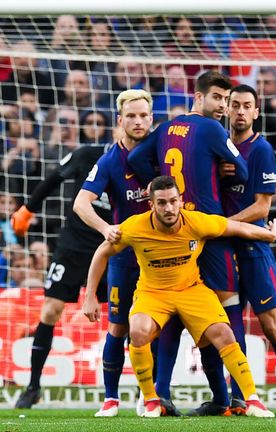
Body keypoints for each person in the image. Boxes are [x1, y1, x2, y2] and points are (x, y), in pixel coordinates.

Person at [81, 176, 275, 418]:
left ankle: (253, 400)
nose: (169, 208)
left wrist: (268, 236)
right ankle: (151, 400)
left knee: (225, 334)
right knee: (138, 330)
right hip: (153, 293)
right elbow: (102, 252)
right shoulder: (134, 227)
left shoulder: (196, 222)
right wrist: (89, 296)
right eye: (162, 203)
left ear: (181, 201)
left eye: (173, 201)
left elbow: (236, 227)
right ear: (151, 204)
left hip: (192, 290)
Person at [128, 70, 249, 416]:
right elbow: (240, 170)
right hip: (205, 230)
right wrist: (222, 169)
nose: (223, 107)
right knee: (227, 308)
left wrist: (160, 187)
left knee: (172, 315)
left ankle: (160, 395)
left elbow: (137, 160)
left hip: (172, 230)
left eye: (226, 101)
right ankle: (238, 396)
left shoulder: (167, 127)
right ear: (198, 97)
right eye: (217, 98)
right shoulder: (212, 130)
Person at [220, 84, 276, 416]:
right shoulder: (218, 147)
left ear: (256, 112)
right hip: (222, 252)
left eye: (247, 106)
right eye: (235, 105)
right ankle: (237, 399)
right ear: (226, 109)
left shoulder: (261, 150)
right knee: (231, 327)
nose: (241, 111)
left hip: (253, 247)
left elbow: (261, 207)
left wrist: (223, 225)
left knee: (271, 325)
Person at [72, 89, 155, 417]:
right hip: (125, 257)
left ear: (152, 119)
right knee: (118, 327)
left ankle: (148, 394)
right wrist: (106, 229)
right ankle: (110, 398)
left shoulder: (161, 151)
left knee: (152, 327)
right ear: (120, 121)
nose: (137, 121)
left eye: (143, 116)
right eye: (131, 116)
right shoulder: (109, 160)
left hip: (160, 255)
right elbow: (80, 203)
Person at [12, 142, 112, 410]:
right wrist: (27, 209)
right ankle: (33, 386)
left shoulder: (141, 159)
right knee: (50, 309)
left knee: (124, 316)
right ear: (118, 122)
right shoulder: (87, 155)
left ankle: (141, 389)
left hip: (113, 244)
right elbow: (53, 178)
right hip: (74, 245)